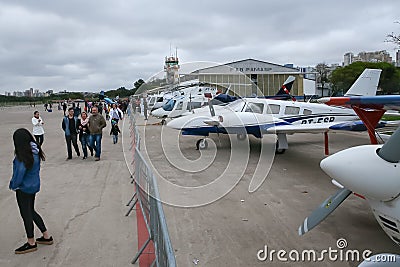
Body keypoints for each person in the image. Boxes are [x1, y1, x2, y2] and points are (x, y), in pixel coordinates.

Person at [9, 128, 53, 254]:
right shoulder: (35, 151)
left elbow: (19, 173)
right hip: (33, 186)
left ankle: (31, 242)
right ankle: (46, 236)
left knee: (26, 214)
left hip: (24, 188)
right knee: (31, 211)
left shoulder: (22, 156)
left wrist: (13, 185)